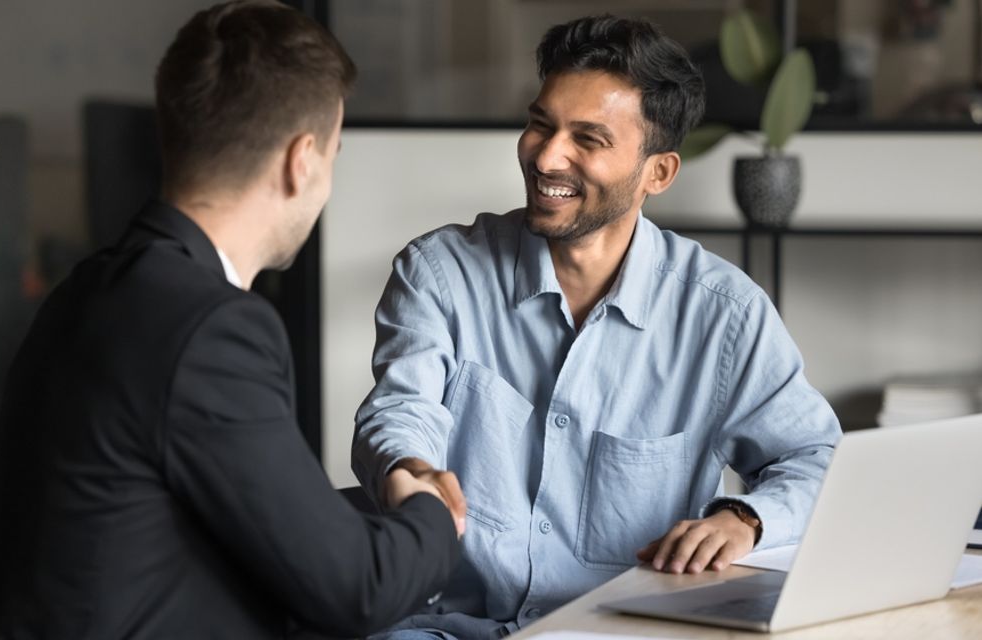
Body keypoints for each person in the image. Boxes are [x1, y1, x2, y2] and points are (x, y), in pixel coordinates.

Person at [0, 2, 467, 638]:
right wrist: (432, 514)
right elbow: (356, 589)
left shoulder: (89, 289)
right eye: (334, 155)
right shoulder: (209, 328)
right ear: (302, 161)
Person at [351, 14, 841, 639]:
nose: (547, 156)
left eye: (588, 138)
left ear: (658, 173)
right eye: (540, 124)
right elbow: (402, 409)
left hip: (624, 631)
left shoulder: (724, 315)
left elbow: (816, 458)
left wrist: (744, 518)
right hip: (444, 627)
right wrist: (410, 467)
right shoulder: (440, 273)